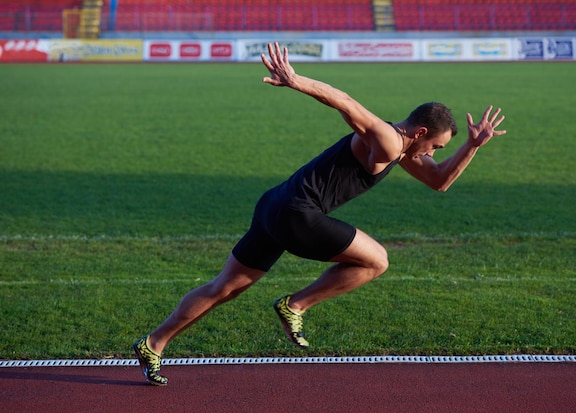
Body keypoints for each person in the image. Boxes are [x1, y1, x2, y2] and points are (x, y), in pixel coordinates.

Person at [133, 42, 507, 386]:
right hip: (299, 213)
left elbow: (440, 181)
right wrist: (296, 81)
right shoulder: (388, 138)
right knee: (377, 260)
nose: (432, 154)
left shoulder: (401, 151)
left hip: (274, 206)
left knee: (224, 288)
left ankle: (154, 343)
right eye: (435, 146)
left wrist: (472, 146)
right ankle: (295, 304)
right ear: (421, 131)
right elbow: (344, 101)